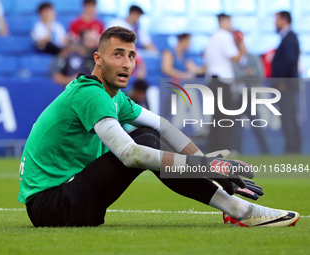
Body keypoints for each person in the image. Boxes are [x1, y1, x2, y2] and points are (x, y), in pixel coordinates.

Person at [18, 26, 299, 228]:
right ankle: (241, 210)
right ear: (98, 59)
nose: (127, 63)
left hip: (71, 200)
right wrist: (202, 166)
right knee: (144, 142)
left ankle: (234, 207)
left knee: (149, 134)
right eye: (118, 54)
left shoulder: (112, 97)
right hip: (52, 206)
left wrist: (207, 166)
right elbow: (130, 154)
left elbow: (163, 125)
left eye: (130, 55)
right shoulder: (90, 93)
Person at [204, 13, 246, 152]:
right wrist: (241, 44)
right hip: (222, 82)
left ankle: (213, 150)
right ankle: (224, 150)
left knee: (216, 119)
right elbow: (237, 57)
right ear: (225, 21)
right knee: (226, 119)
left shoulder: (212, 38)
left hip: (212, 82)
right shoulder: (225, 36)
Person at [231, 30, 270, 154]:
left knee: (257, 124)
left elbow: (259, 75)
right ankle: (237, 151)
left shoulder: (252, 57)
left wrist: (245, 75)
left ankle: (266, 152)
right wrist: (247, 73)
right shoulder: (232, 58)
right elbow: (235, 75)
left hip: (249, 95)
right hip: (236, 95)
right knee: (235, 126)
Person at [271, 11, 301, 154]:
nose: (274, 23)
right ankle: (294, 149)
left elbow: (289, 61)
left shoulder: (289, 38)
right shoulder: (287, 37)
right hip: (287, 85)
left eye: (276, 20)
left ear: (284, 20)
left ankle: (292, 150)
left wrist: (283, 81)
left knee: (288, 118)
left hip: (286, 86)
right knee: (290, 118)